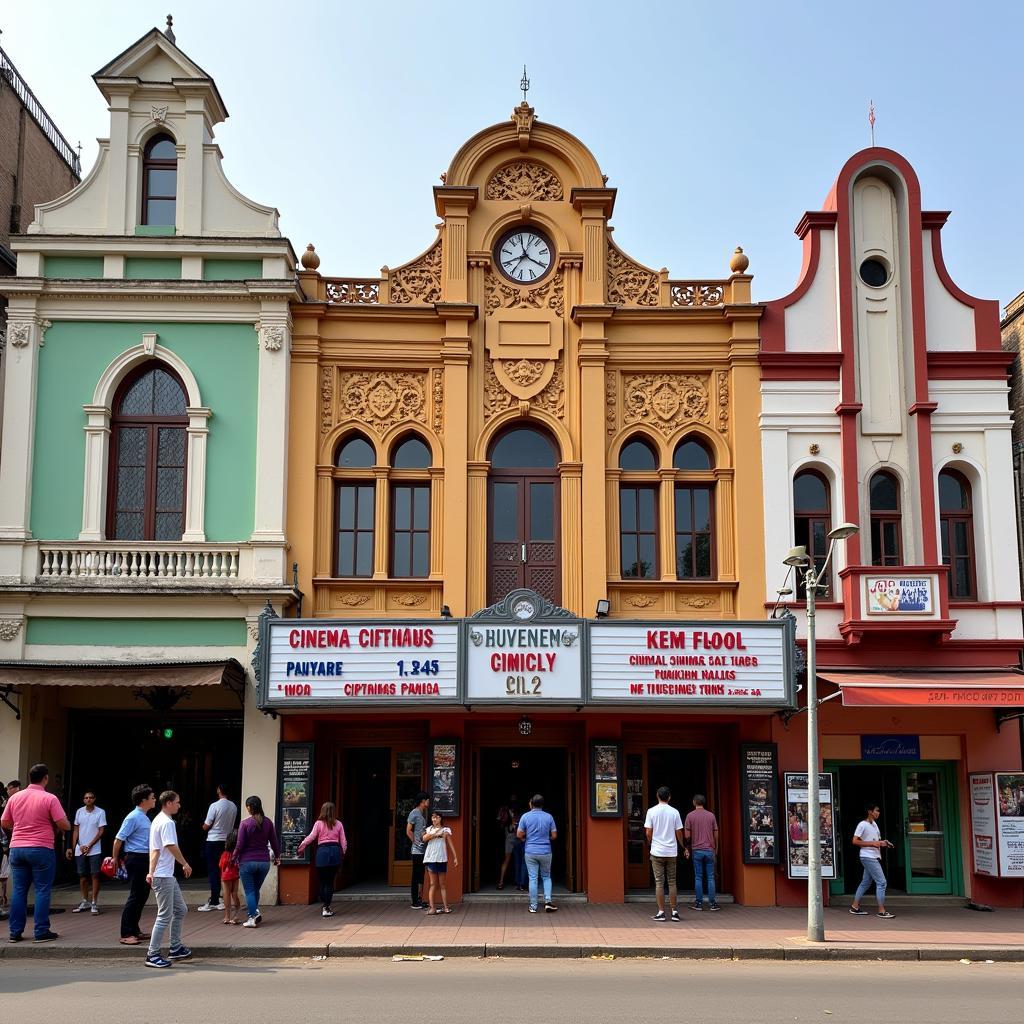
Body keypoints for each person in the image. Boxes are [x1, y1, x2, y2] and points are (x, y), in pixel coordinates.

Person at [2, 763, 70, 943]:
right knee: (42, 890)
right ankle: (41, 931)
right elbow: (64, 824)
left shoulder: (15, 798)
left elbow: (5, 822)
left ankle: (15, 932)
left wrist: (20, 826)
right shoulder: (49, 798)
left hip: (17, 847)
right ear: (45, 778)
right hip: (41, 848)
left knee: (18, 890)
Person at [145, 790, 193, 968]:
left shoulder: (158, 820)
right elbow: (169, 846)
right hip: (164, 876)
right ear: (169, 803)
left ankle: (175, 947)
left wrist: (151, 872)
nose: (179, 805)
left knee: (180, 909)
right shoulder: (167, 823)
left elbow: (156, 850)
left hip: (164, 875)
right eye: (177, 802)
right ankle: (152, 954)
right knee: (164, 915)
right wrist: (185, 863)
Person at [112, 784, 156, 945]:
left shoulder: (144, 816)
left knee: (142, 895)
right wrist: (115, 858)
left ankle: (135, 929)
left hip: (144, 858)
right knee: (136, 895)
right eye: (152, 797)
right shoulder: (133, 817)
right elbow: (119, 839)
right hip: (135, 858)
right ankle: (126, 932)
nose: (154, 800)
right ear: (143, 800)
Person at [232, 795, 280, 928]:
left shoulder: (245, 823)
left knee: (249, 891)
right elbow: (274, 842)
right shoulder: (268, 822)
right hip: (264, 862)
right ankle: (254, 912)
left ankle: (252, 917)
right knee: (255, 889)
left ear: (249, 807)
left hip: (247, 862)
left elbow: (239, 845)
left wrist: (233, 858)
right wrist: (277, 857)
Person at [296, 802, 347, 918]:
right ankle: (326, 907)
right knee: (330, 881)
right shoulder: (338, 824)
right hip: (334, 852)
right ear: (333, 811)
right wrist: (343, 853)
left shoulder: (318, 824)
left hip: (322, 853)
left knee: (323, 881)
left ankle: (323, 902)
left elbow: (311, 837)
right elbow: (343, 841)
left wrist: (301, 847)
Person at [849, 803, 895, 919]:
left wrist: (884, 843)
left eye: (878, 811)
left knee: (865, 882)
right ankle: (881, 910)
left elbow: (876, 841)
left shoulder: (874, 824)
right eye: (876, 811)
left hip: (873, 856)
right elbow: (854, 841)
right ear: (870, 812)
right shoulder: (862, 825)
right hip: (867, 856)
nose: (878, 813)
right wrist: (872, 843)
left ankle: (855, 907)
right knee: (882, 882)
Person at [644, 785, 684, 921]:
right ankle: (674, 911)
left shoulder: (651, 811)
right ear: (669, 797)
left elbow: (648, 832)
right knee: (672, 881)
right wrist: (682, 845)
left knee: (659, 882)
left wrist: (651, 841)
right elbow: (679, 831)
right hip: (671, 851)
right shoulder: (675, 812)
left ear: (657, 796)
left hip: (657, 851)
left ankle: (661, 912)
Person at [197, 784, 238, 913]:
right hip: (227, 841)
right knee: (225, 869)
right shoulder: (233, 806)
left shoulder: (214, 806)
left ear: (219, 791)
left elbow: (206, 825)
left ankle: (215, 900)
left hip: (213, 840)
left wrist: (202, 826)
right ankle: (224, 897)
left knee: (213, 870)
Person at [516, 793, 557, 913]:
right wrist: (546, 839)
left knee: (533, 878)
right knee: (546, 876)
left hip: (530, 851)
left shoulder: (525, 817)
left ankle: (533, 906)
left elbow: (519, 834)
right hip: (545, 851)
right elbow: (554, 835)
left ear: (531, 804)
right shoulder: (549, 817)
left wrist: (526, 839)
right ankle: (548, 902)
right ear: (542, 804)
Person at [67, 790, 107, 915]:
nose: (88, 799)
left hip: (94, 849)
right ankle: (85, 900)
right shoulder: (79, 811)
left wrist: (90, 845)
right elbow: (75, 830)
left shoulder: (100, 812)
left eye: (90, 797)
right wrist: (74, 847)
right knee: (82, 875)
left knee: (95, 875)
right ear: (84, 800)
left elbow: (101, 831)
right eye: (86, 798)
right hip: (80, 848)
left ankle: (94, 902)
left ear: (94, 799)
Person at [684, 794, 719, 912]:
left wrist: (688, 846)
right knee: (710, 877)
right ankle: (712, 903)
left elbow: (687, 836)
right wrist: (716, 848)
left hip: (697, 850)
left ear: (694, 802)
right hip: (709, 849)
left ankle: (698, 903)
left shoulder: (690, 816)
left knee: (698, 877)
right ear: (704, 803)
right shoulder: (711, 816)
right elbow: (716, 834)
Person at [421, 811, 458, 914]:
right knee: (433, 884)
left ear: (440, 818)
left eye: (436, 817)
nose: (434, 819)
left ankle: (446, 907)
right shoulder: (429, 829)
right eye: (433, 817)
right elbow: (423, 838)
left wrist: (455, 857)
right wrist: (435, 834)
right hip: (431, 858)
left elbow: (450, 844)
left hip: (442, 858)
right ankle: (432, 908)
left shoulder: (446, 830)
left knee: (442, 884)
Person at [405, 791, 430, 909]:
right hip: (416, 850)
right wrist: (415, 841)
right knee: (416, 876)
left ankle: (420, 899)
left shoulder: (422, 813)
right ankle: (414, 901)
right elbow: (408, 830)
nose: (428, 802)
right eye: (427, 800)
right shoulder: (414, 813)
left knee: (421, 875)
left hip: (423, 850)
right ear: (422, 801)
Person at [219, 830, 241, 925]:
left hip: (225, 876)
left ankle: (227, 916)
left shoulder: (225, 854)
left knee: (226, 894)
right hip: (235, 875)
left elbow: (221, 864)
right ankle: (236, 914)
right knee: (234, 894)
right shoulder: (238, 853)